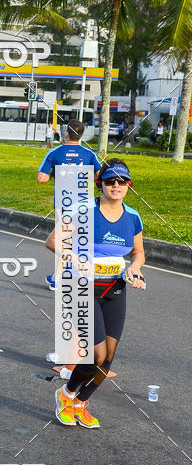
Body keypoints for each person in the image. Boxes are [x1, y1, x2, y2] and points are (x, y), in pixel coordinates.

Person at [46, 158, 145, 429]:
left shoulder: (133, 216)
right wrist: (75, 260)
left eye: (122, 181)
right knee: (96, 355)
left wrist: (135, 269)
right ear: (100, 183)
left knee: (109, 355)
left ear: (128, 185)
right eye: (110, 180)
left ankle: (80, 403)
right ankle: (65, 395)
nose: (116, 185)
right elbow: (53, 241)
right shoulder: (82, 210)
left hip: (115, 289)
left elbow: (138, 253)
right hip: (83, 288)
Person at [37, 119, 102, 290]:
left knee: (61, 242)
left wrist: (56, 173)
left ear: (66, 133)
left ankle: (60, 278)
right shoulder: (90, 155)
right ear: (81, 135)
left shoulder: (55, 152)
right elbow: (99, 176)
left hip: (64, 204)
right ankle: (63, 276)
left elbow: (41, 179)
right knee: (77, 241)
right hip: (85, 204)